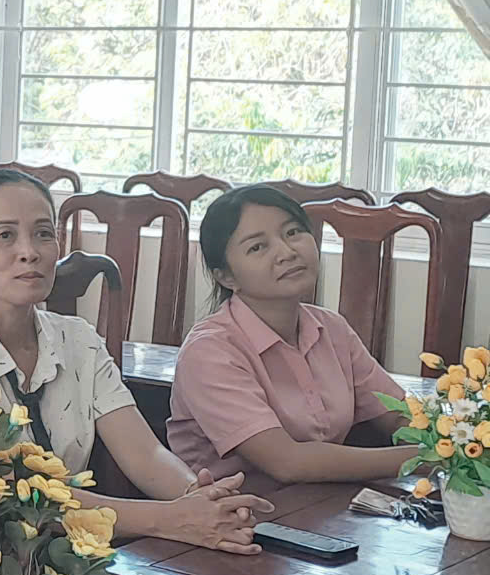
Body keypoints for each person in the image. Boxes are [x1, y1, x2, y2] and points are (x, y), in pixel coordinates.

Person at [0, 168, 266, 552]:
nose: (30, 251)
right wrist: (169, 518)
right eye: (5, 236)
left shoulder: (77, 339)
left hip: (75, 556)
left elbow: (144, 453)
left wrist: (201, 498)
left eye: (43, 233)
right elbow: (8, 500)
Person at [166, 185, 412, 485]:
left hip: (322, 499)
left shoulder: (332, 328)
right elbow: (287, 463)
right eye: (258, 247)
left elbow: (398, 413)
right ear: (226, 277)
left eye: (293, 232)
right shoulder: (210, 352)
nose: (287, 252)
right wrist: (421, 459)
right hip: (238, 508)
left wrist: (448, 443)